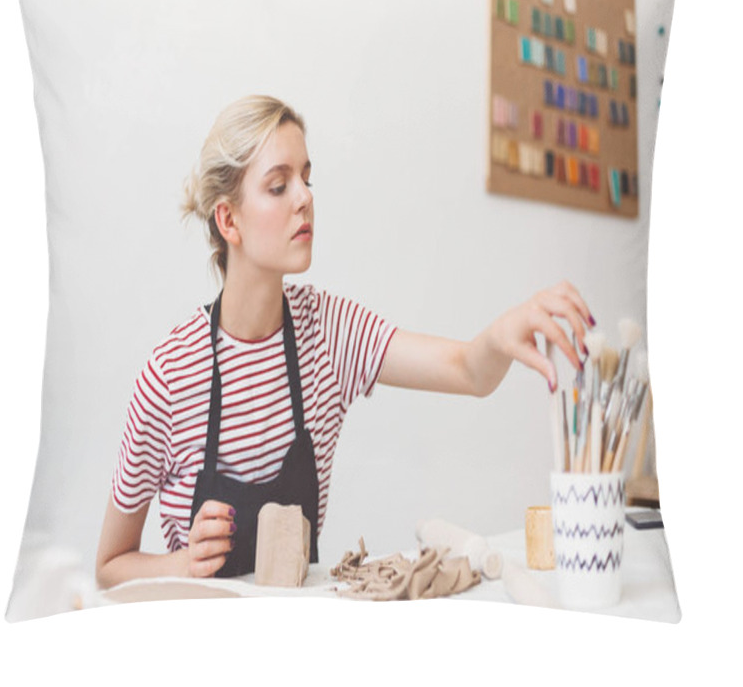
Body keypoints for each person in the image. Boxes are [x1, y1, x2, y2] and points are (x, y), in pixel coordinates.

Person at [95, 95, 595, 589]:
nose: (304, 197)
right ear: (229, 221)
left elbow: (467, 370)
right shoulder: (171, 374)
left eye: (306, 178)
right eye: (278, 185)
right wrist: (181, 564)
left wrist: (504, 332)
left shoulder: (327, 332)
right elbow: (110, 566)